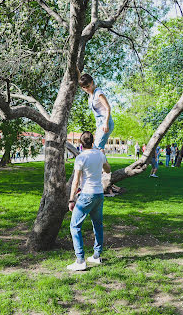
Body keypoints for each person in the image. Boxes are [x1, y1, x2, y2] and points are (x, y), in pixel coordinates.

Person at [67, 131, 111, 271]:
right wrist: (103, 158)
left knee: (75, 226)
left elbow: (75, 181)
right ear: (92, 142)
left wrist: (71, 199)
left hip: (86, 195)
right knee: (97, 225)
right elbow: (108, 170)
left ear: (81, 144)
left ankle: (80, 260)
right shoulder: (99, 154)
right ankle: (96, 256)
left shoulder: (81, 158)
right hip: (99, 194)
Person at [78, 72, 114, 150]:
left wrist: (106, 123)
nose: (86, 89)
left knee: (97, 147)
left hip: (105, 123)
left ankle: (99, 162)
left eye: (88, 86)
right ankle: (104, 162)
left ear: (92, 82)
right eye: (84, 87)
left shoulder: (98, 93)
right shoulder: (90, 96)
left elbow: (108, 108)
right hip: (99, 124)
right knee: (99, 148)